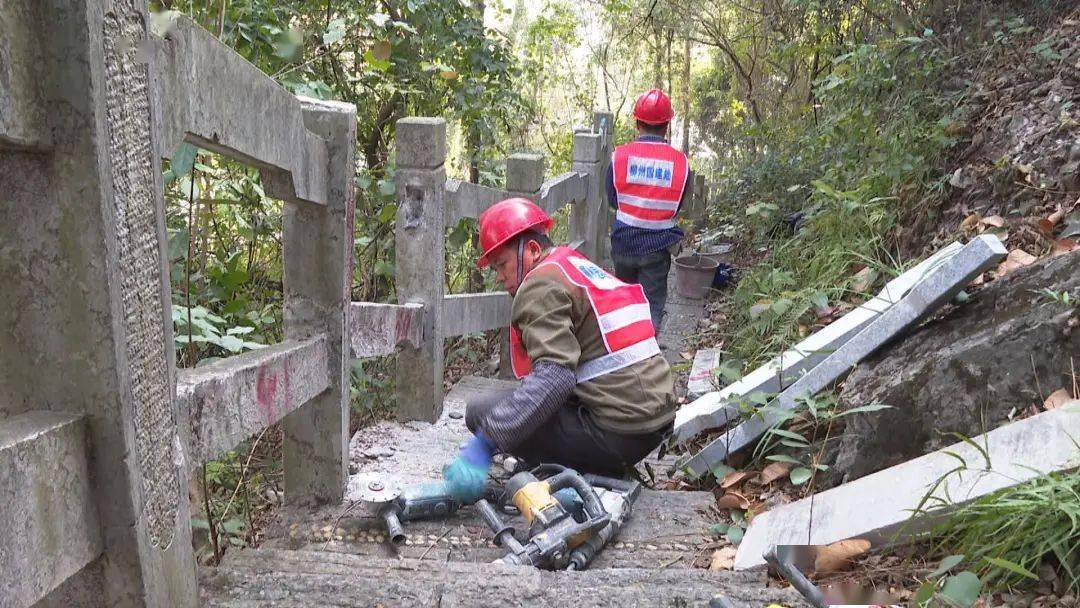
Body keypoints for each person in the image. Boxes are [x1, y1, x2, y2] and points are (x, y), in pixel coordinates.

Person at [442, 198, 677, 502]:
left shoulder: (538, 285)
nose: (499, 277)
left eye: (502, 264)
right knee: (517, 403)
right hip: (652, 421)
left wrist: (486, 443)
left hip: (620, 431)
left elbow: (556, 378)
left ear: (532, 250)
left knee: (481, 411)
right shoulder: (571, 264)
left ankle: (586, 466)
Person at [605, 88, 693, 330]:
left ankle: (623, 348)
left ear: (637, 123)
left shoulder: (619, 157)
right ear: (666, 125)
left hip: (623, 242)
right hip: (657, 247)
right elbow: (679, 205)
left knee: (624, 301)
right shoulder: (680, 162)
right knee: (652, 305)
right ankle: (646, 354)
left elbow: (614, 199)